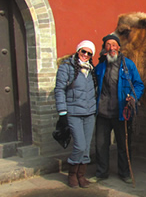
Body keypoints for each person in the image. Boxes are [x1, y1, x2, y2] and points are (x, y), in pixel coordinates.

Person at [89, 33, 144, 184]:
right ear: (105, 48)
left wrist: (133, 97)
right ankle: (101, 173)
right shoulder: (100, 67)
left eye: (114, 45)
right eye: (108, 45)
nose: (111, 48)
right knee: (100, 145)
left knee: (123, 145)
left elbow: (139, 84)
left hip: (122, 113)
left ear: (119, 47)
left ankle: (124, 173)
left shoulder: (128, 65)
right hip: (102, 113)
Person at [54, 40, 97, 188]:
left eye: (89, 53)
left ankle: (81, 176)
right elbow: (59, 89)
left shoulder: (91, 70)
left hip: (89, 113)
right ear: (78, 50)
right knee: (79, 145)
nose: (85, 55)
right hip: (74, 112)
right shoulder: (67, 67)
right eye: (83, 51)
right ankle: (72, 174)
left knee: (86, 147)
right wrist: (62, 112)